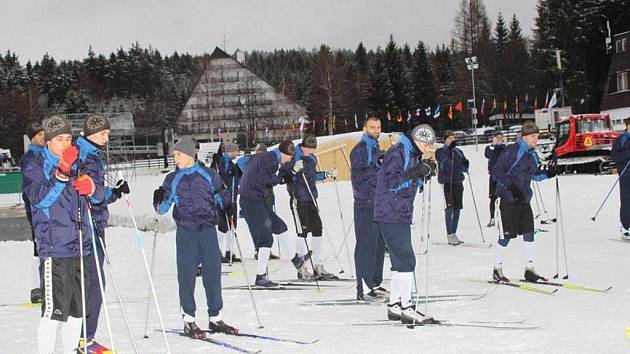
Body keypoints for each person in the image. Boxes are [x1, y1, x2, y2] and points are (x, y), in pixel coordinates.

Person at [23, 115, 95, 354]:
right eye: (59, 139)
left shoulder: (77, 163)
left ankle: (71, 350)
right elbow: (39, 199)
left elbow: (94, 197)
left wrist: (92, 189)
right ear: (48, 141)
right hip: (56, 248)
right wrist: (62, 171)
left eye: (69, 138)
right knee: (55, 312)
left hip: (80, 244)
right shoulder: (35, 164)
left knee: (77, 311)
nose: (66, 143)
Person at [153, 136, 237, 338]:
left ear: (190, 154)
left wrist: (228, 206)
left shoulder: (207, 174)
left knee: (212, 275)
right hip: (186, 233)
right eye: (174, 155)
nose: (176, 159)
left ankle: (216, 318)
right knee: (187, 276)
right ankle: (189, 320)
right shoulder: (173, 179)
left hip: (208, 230)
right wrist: (157, 199)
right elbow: (162, 209)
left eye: (179, 155)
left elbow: (221, 193)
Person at [75, 113, 130, 352]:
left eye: (107, 133)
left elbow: (97, 191)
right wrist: (110, 194)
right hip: (87, 225)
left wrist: (113, 192)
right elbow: (90, 192)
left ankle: (84, 336)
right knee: (94, 282)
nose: (106, 138)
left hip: (94, 221)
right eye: (101, 133)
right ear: (90, 133)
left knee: (94, 281)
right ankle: (83, 338)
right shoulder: (85, 156)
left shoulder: (91, 153)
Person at [374, 124, 436, 324]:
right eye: (427, 144)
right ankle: (407, 307)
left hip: (397, 212)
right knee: (407, 260)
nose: (429, 148)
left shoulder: (410, 152)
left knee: (400, 260)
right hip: (391, 213)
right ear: (418, 141)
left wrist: (422, 176)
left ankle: (394, 304)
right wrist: (417, 172)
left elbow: (408, 185)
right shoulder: (398, 152)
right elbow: (391, 183)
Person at [491, 121, 558, 283]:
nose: (536, 139)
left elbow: (534, 175)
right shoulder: (512, 152)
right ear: (525, 136)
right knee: (507, 235)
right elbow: (496, 173)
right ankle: (497, 269)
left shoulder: (531, 153)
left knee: (529, 232)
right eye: (534, 136)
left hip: (524, 199)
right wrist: (511, 187)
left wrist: (549, 173)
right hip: (508, 199)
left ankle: (529, 270)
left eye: (537, 136)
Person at [239, 141, 295, 287]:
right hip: (251, 201)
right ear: (283, 153)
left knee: (280, 226)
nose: (289, 160)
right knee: (266, 239)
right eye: (289, 157)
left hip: (254, 199)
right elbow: (263, 178)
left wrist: (283, 174)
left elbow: (247, 165)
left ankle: (295, 259)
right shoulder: (270, 159)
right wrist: (281, 179)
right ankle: (260, 276)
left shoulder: (264, 156)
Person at [286, 135, 338, 280]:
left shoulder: (311, 158)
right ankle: (301, 267)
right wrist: (295, 171)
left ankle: (318, 265)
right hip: (298, 199)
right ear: (302, 146)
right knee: (302, 231)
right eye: (307, 148)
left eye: (312, 148)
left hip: (311, 198)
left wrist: (326, 174)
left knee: (317, 229)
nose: (310, 150)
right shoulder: (294, 156)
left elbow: (313, 176)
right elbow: (287, 176)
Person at [350, 117, 388, 301]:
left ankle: (375, 282)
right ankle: (363, 289)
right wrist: (378, 166)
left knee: (379, 245)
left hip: (378, 202)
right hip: (365, 202)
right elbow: (358, 176)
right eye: (372, 127)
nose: (376, 130)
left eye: (379, 127)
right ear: (364, 128)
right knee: (366, 245)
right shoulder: (360, 149)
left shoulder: (375, 147)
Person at [21, 121, 45, 304]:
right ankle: (37, 287)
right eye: (39, 135)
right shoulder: (30, 157)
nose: (43, 137)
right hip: (36, 209)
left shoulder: (47, 154)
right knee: (39, 249)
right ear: (32, 137)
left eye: (44, 133)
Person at [435, 131, 470, 245]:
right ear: (445, 140)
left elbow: (463, 167)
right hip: (447, 182)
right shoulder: (441, 151)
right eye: (449, 138)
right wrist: (449, 152)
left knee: (457, 208)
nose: (452, 140)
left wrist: (466, 164)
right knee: (449, 208)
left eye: (453, 138)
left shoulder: (458, 151)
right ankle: (449, 234)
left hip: (458, 182)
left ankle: (454, 233)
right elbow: (442, 161)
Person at [217, 142, 241, 263]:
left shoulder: (231, 163)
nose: (238, 153)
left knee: (232, 225)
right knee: (224, 225)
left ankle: (229, 251)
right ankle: (218, 251)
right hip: (226, 198)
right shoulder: (224, 161)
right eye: (236, 151)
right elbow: (222, 177)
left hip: (232, 197)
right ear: (230, 151)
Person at [611, 117, 630, 240]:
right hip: (625, 174)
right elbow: (615, 156)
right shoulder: (621, 139)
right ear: (628, 125)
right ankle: (626, 227)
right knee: (627, 200)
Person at [484, 131, 506, 227]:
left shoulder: (505, 148)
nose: (499, 139)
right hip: (493, 176)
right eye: (497, 137)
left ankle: (505, 217)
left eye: (501, 137)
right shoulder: (489, 148)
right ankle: (492, 218)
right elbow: (488, 155)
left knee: (505, 198)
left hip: (503, 176)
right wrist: (494, 145)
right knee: (493, 198)